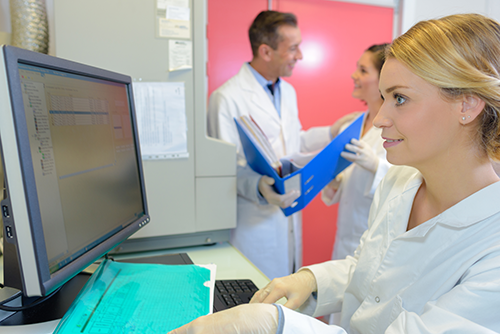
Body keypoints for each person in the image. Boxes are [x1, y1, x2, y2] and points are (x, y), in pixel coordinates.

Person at [170, 13, 500, 333]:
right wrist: (311, 280)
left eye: (400, 98)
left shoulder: (492, 249)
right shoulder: (400, 183)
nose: (381, 118)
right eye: (384, 98)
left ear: (467, 105)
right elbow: (371, 269)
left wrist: (276, 325)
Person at [207, 10, 351, 280]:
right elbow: (226, 170)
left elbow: (292, 142)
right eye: (294, 48)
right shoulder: (226, 98)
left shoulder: (286, 91)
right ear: (266, 51)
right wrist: (259, 187)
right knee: (256, 303)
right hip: (253, 222)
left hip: (288, 215)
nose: (300, 56)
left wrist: (331, 132)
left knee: (285, 298)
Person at [322, 44, 391, 263]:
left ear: (383, 79)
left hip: (374, 238)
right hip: (345, 235)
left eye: (363, 70)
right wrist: (335, 181)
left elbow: (411, 181)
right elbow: (350, 185)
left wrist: (376, 165)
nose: (354, 76)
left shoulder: (397, 127)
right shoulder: (353, 125)